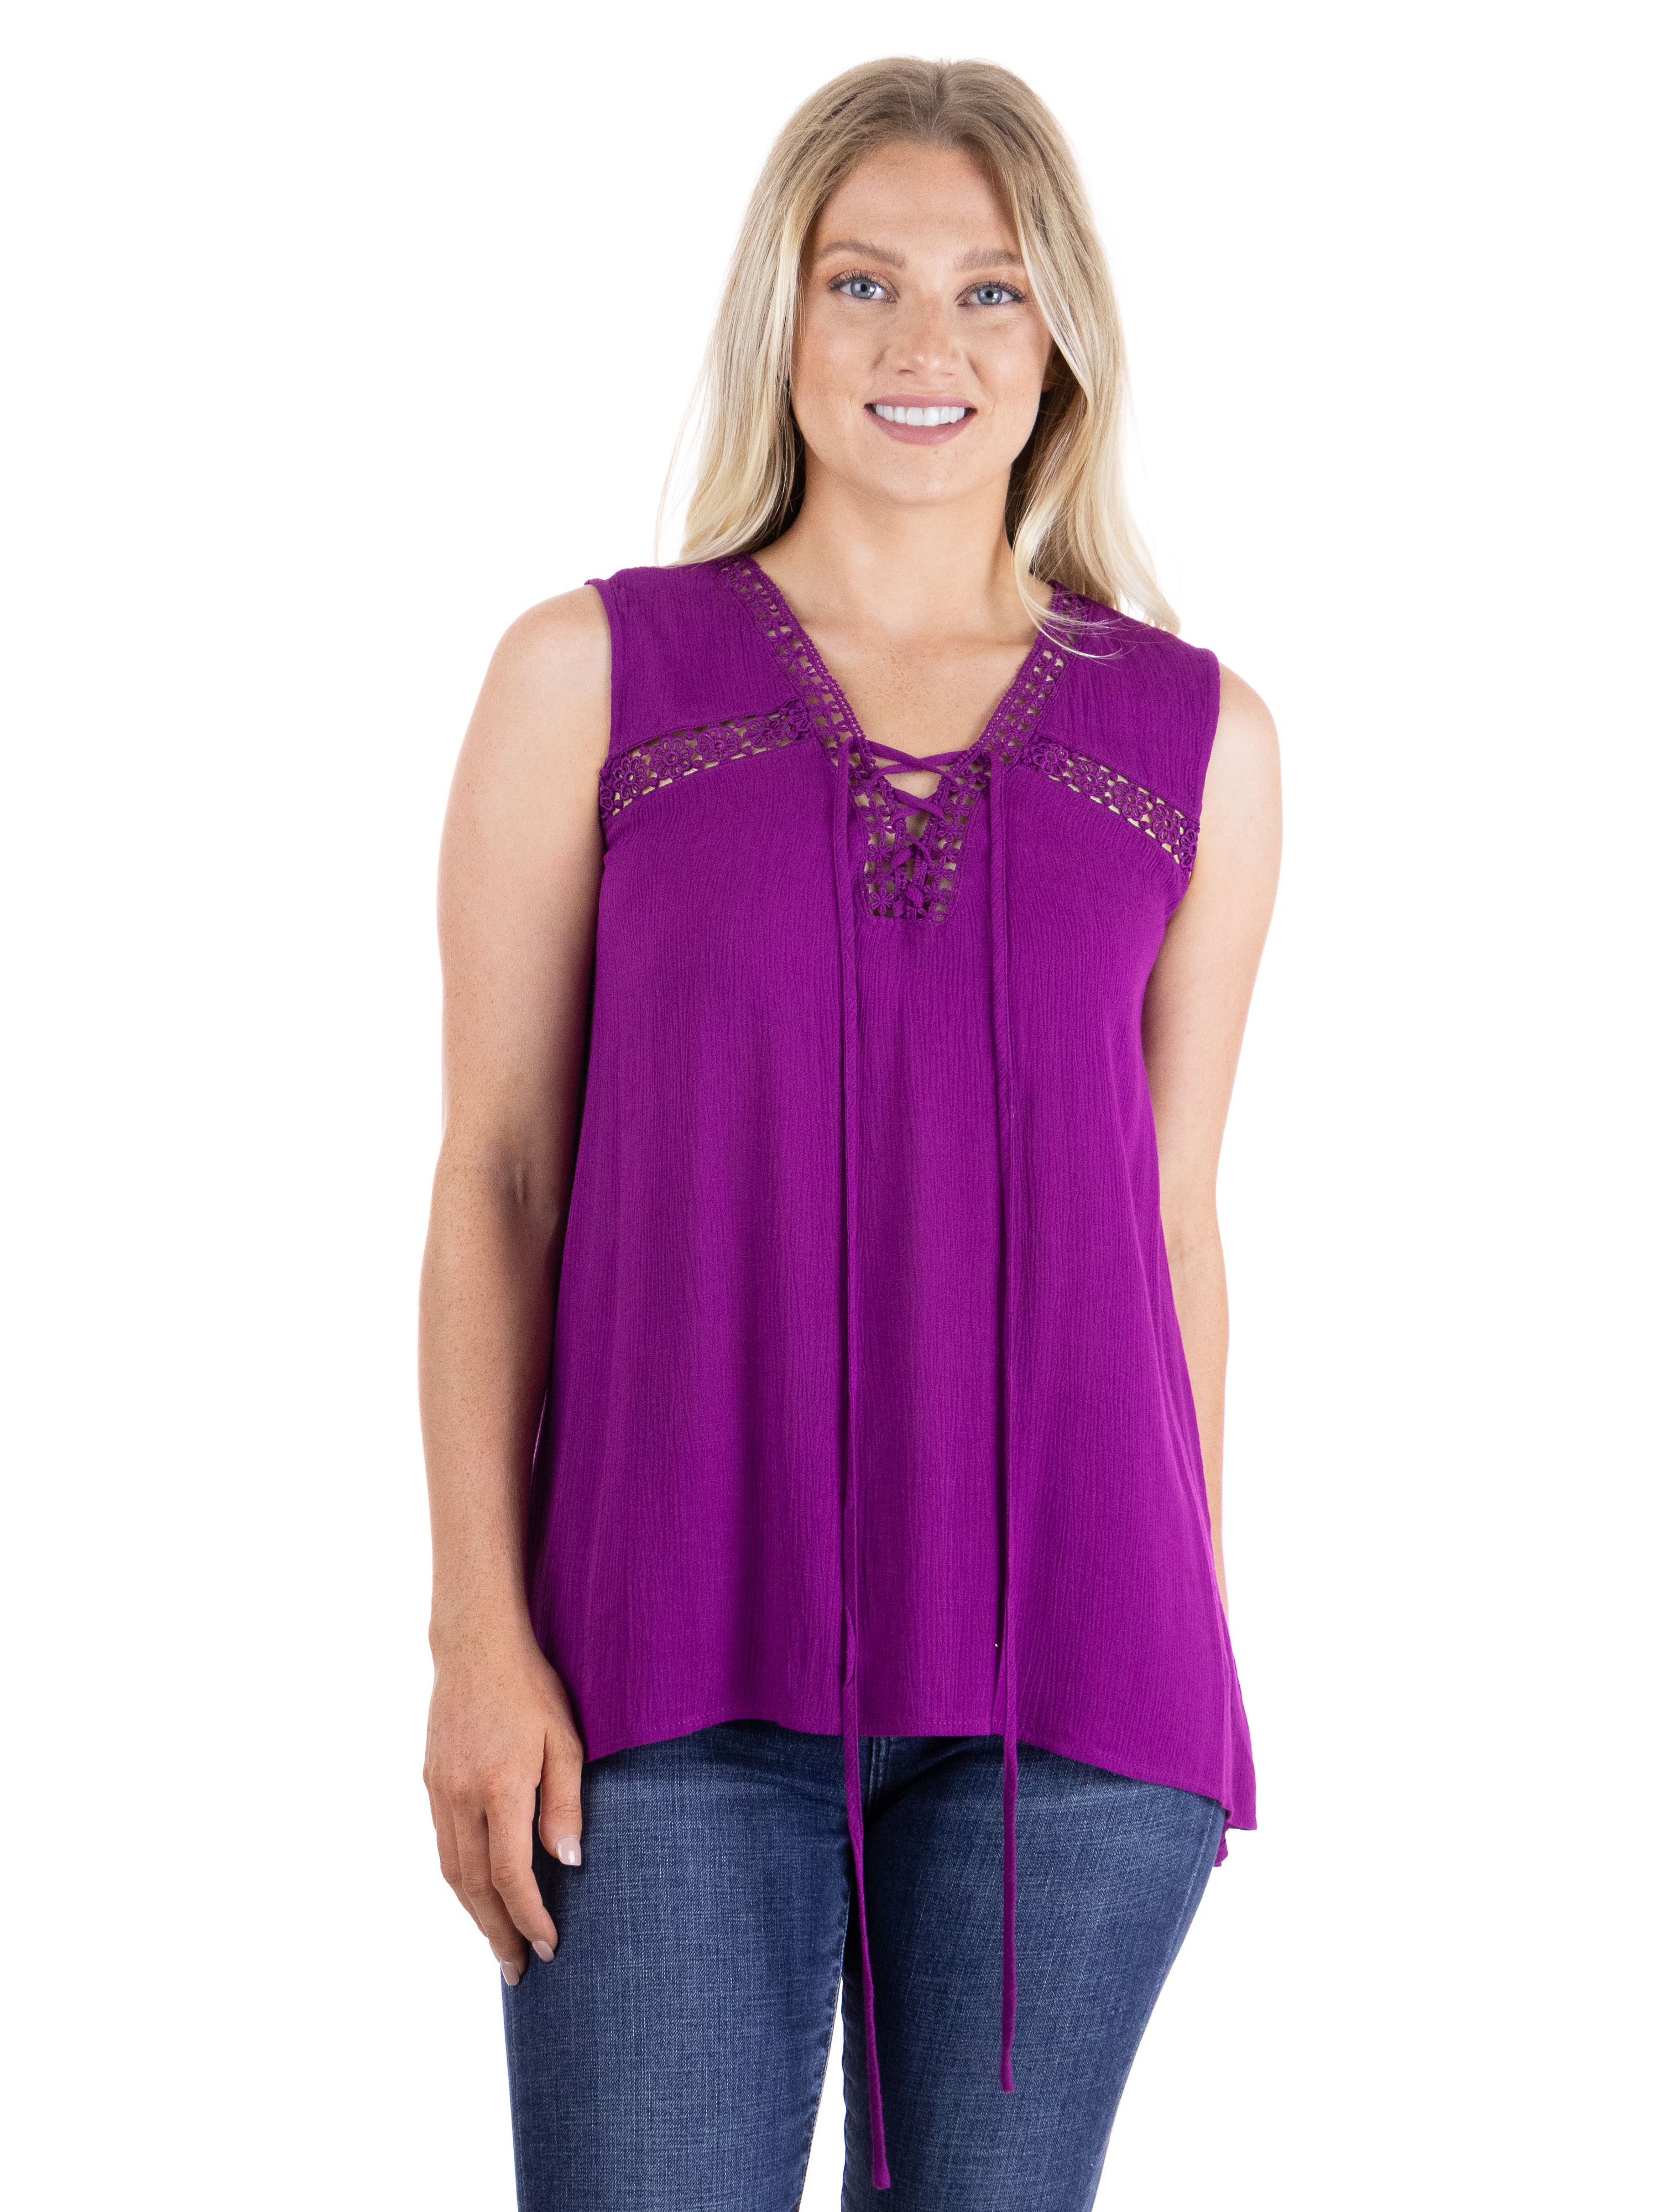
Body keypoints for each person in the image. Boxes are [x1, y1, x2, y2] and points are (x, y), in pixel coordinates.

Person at [419, 54, 1281, 2212]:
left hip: (1070, 1693)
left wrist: (1186, 1619)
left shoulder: (1200, 738)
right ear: (783, 317)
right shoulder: (587, 678)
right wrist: (476, 1634)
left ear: (1061, 336)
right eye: (864, 280)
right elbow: (500, 1179)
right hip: (660, 1661)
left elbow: (1177, 1222)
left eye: (992, 291)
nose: (927, 343)